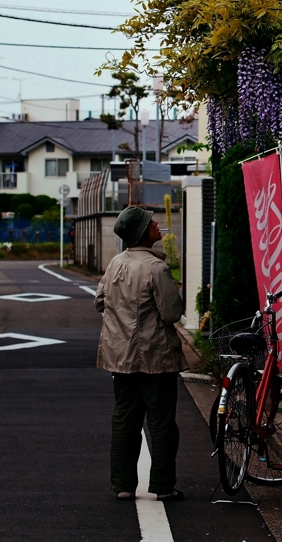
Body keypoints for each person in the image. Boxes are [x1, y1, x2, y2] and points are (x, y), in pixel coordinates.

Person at [95, 205, 186, 502]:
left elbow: (100, 302)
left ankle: (122, 485)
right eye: (151, 223)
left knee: (124, 419)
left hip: (119, 355)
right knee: (161, 422)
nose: (157, 224)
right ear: (142, 233)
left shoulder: (115, 264)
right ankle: (162, 485)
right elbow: (171, 313)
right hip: (155, 356)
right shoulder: (156, 268)